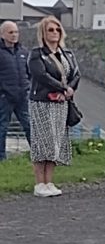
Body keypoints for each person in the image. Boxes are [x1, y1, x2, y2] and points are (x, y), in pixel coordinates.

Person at [28, 16, 80, 197]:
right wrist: (63, 87)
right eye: (51, 30)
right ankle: (39, 183)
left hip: (60, 103)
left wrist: (70, 89)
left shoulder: (67, 54)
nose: (55, 33)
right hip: (42, 103)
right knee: (42, 142)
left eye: (57, 30)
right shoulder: (37, 54)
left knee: (55, 142)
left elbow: (76, 74)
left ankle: (49, 181)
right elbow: (41, 75)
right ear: (43, 32)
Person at [0, 21, 31, 161]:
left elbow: (29, 73)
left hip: (22, 97)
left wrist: (27, 88)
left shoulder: (23, 52)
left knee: (29, 125)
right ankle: (1, 158)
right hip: (5, 98)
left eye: (16, 32)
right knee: (2, 128)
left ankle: (39, 154)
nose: (14, 35)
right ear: (2, 34)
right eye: (10, 32)